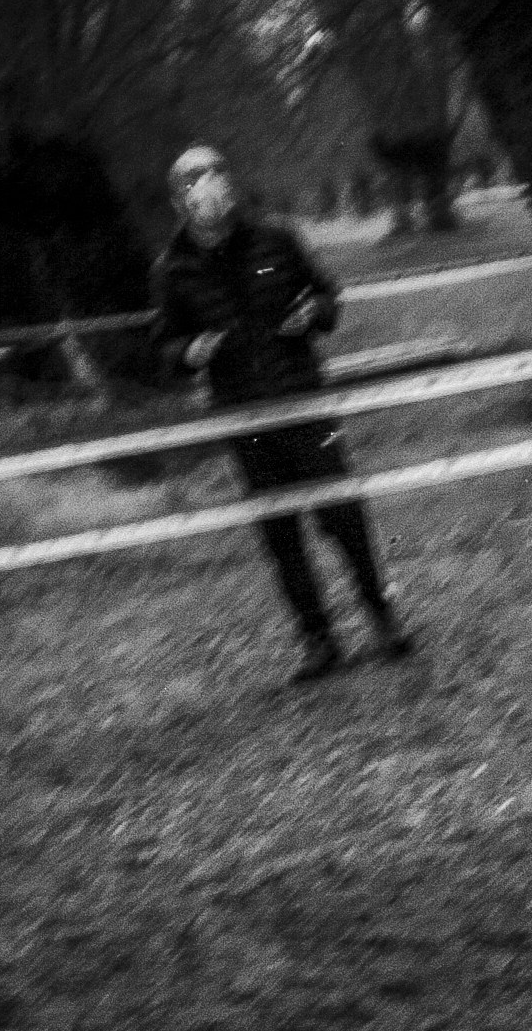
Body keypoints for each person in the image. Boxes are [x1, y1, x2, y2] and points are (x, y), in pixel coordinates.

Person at [151, 146, 410, 684]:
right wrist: (191, 352)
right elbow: (164, 346)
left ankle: (383, 617)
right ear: (180, 200)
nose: (212, 191)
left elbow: (327, 298)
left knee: (343, 515)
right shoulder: (172, 270)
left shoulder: (276, 238)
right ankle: (318, 641)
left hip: (304, 400)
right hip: (242, 416)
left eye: (220, 176)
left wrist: (314, 311)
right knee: (280, 532)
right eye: (197, 183)